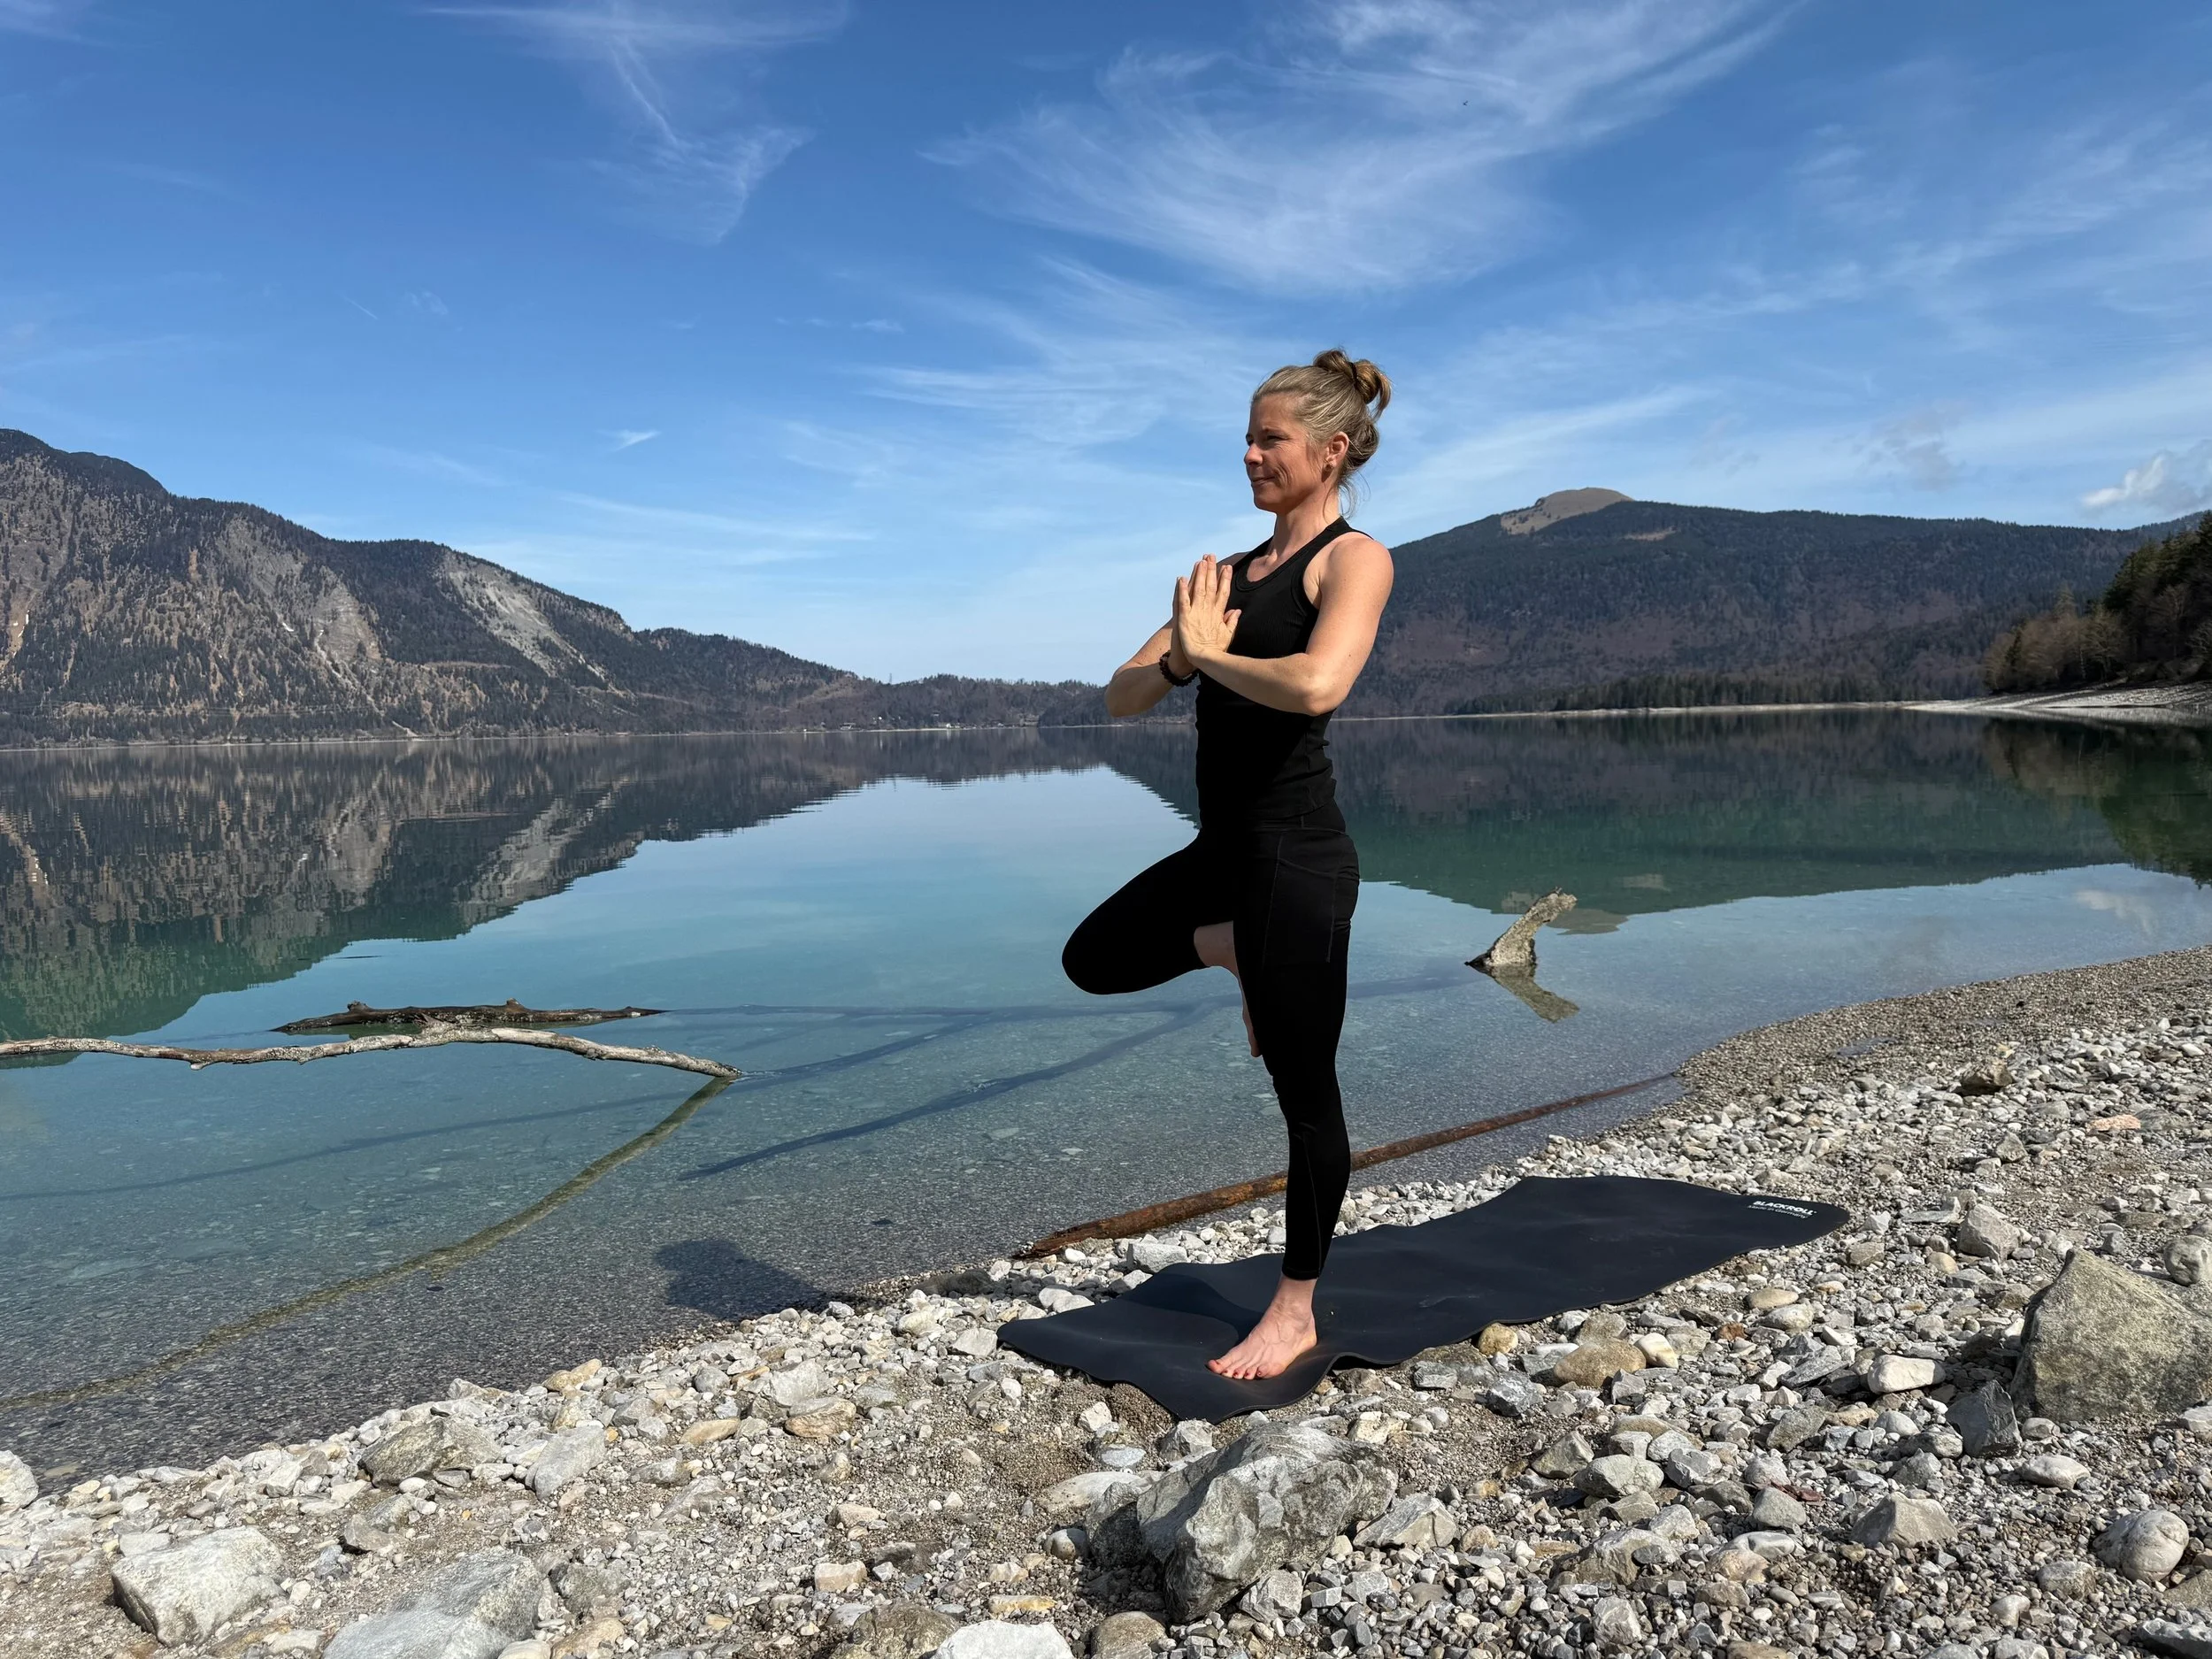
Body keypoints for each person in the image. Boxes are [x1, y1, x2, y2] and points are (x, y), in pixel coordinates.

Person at [1060, 349, 1395, 1380]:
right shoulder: (1223, 579)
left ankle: (1293, 1306)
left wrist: (1205, 658)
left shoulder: (1354, 560)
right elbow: (1118, 697)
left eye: (1270, 439)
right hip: (1223, 852)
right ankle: (1230, 951)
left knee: (1306, 1097)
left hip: (1297, 858)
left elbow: (1314, 685)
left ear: (1331, 451)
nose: (1250, 455)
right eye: (1246, 438)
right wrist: (1176, 653)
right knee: (1095, 956)